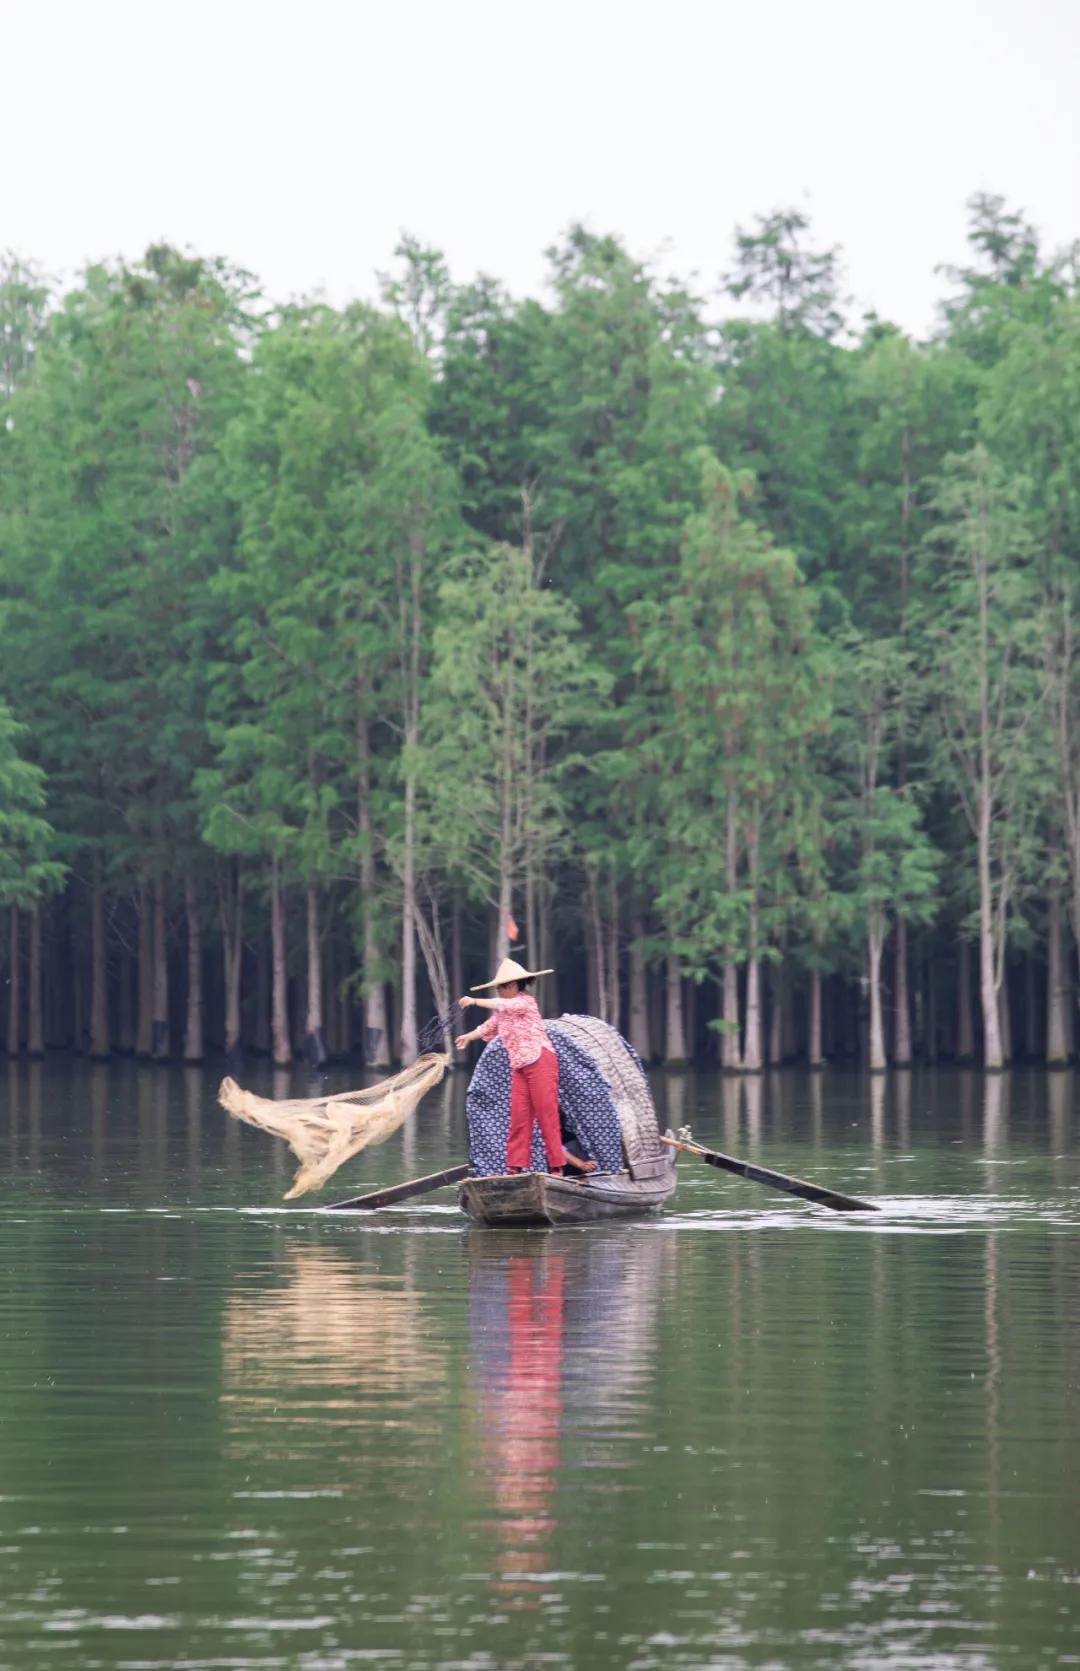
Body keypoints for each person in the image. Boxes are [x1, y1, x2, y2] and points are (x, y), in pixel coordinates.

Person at [455, 958, 598, 1176]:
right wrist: (468, 1037)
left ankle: (556, 1167)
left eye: (502, 987)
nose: (499, 992)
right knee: (519, 1118)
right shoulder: (502, 1011)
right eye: (498, 988)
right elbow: (488, 1027)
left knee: (546, 1115)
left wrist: (474, 1001)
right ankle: (515, 1166)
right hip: (520, 1066)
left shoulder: (525, 1002)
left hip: (540, 1061)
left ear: (513, 985)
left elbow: (505, 1005)